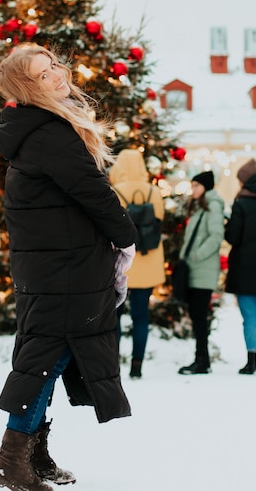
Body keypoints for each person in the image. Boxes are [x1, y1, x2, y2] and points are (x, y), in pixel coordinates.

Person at [0, 44, 137, 491]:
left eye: (53, 65)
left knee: (49, 356)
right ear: (26, 87)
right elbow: (92, 190)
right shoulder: (48, 132)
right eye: (42, 72)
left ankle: (33, 454)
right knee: (46, 360)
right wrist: (126, 235)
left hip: (57, 265)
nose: (55, 73)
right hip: (64, 267)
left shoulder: (37, 129)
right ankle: (11, 460)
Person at [109, 148, 165, 379]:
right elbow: (160, 222)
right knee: (141, 317)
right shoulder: (155, 192)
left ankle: (114, 364)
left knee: (115, 318)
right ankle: (137, 365)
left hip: (122, 265)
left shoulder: (114, 192)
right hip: (149, 262)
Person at [178, 170, 224, 375]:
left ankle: (202, 361)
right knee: (196, 316)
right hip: (194, 270)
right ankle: (201, 359)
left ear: (205, 186)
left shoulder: (212, 205)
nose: (193, 189)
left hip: (203, 269)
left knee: (198, 315)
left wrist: (196, 255)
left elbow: (216, 236)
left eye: (196, 185)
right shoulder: (200, 206)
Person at [224, 158, 256, 374]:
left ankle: (252, 361)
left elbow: (233, 237)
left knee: (249, 317)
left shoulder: (241, 204)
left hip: (246, 270)